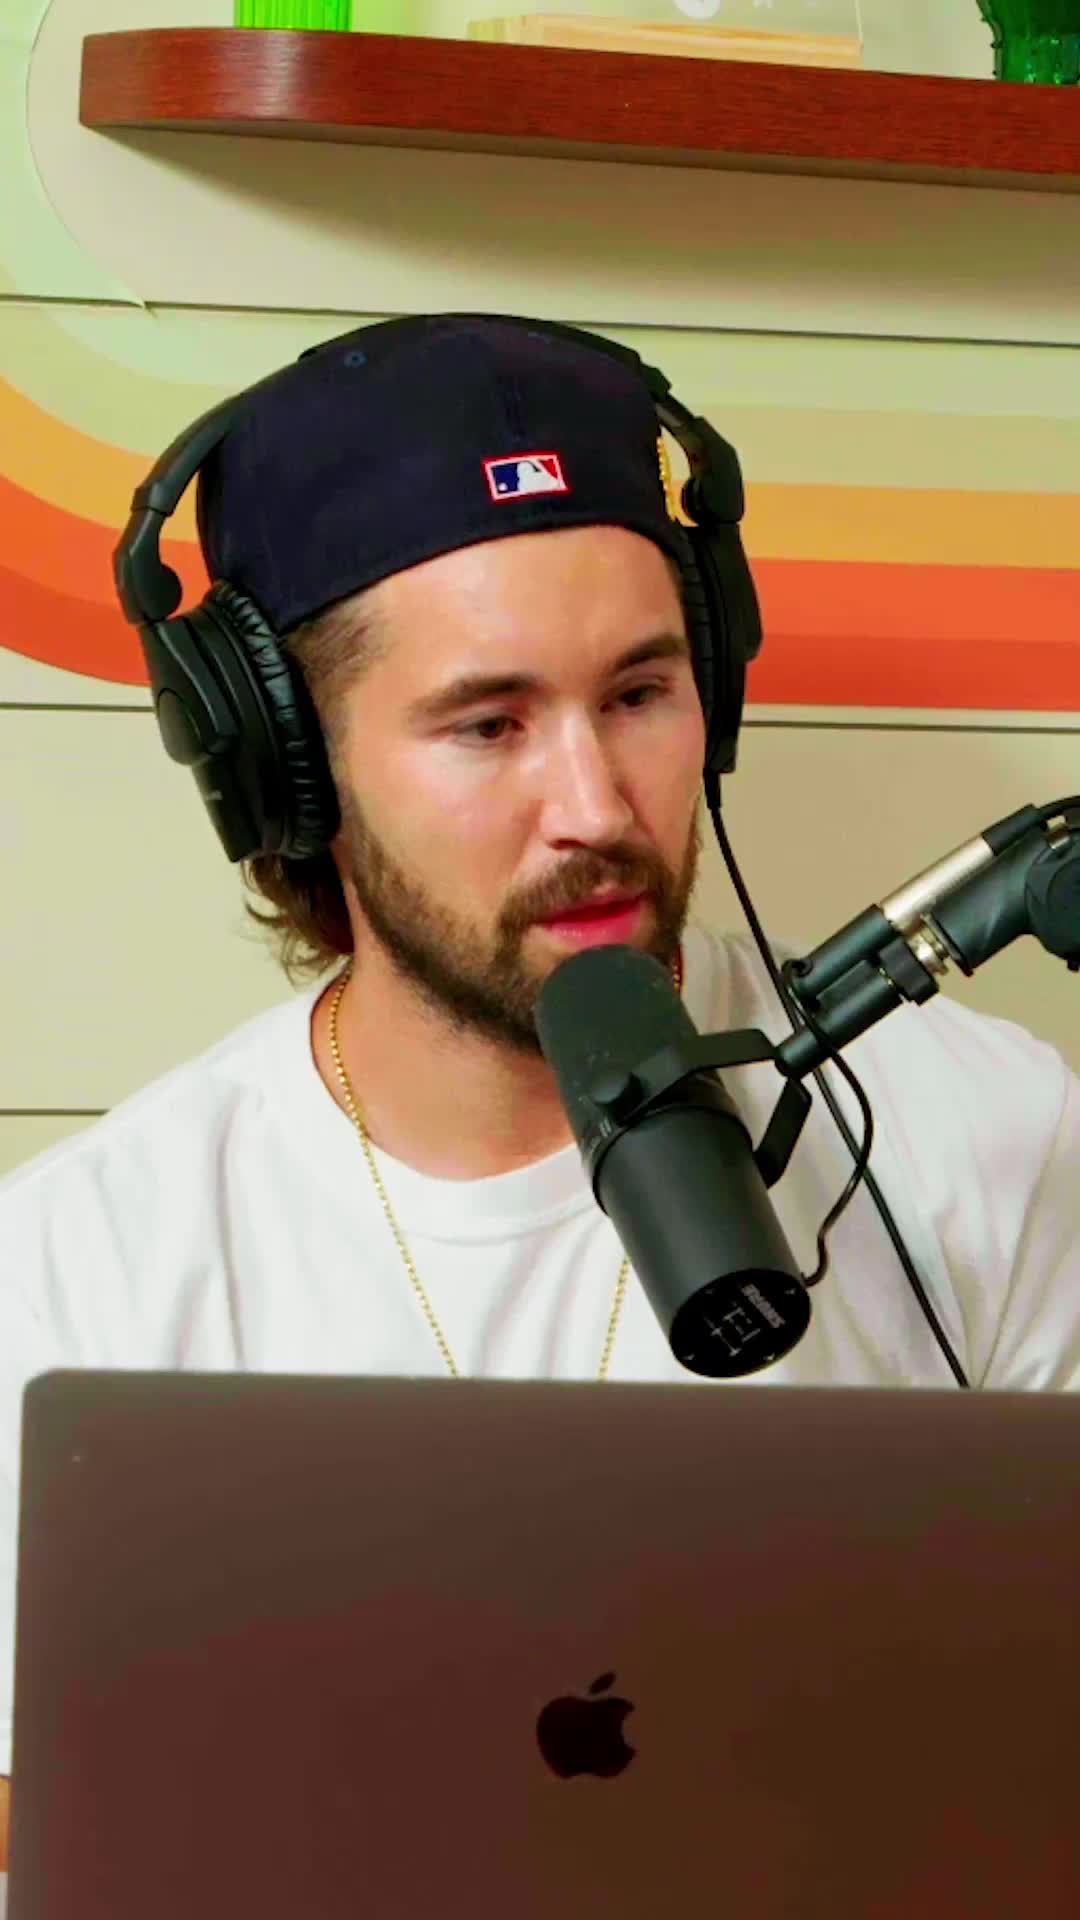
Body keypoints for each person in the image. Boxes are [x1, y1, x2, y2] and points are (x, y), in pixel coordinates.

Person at [1, 314, 1078, 1854]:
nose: (595, 808)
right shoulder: (80, 1270)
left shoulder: (998, 1137)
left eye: (639, 695)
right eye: (489, 724)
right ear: (292, 774)